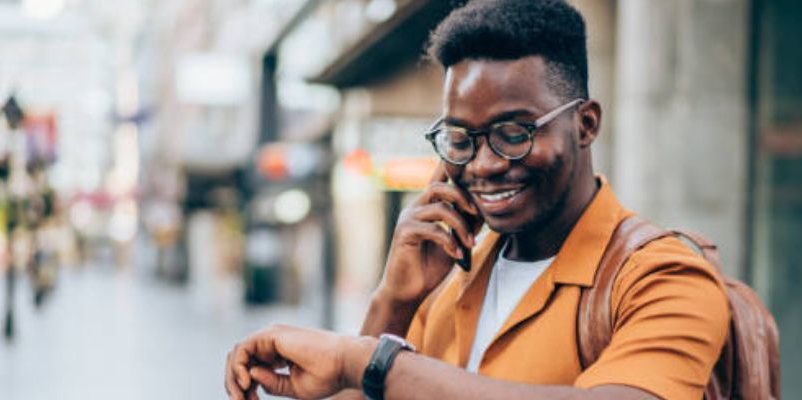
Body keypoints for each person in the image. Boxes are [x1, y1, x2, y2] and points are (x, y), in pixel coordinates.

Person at [225, 1, 730, 399]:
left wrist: (360, 360)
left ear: (585, 124)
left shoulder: (664, 276)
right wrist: (394, 301)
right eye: (461, 138)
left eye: (513, 133)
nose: (484, 164)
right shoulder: (450, 274)